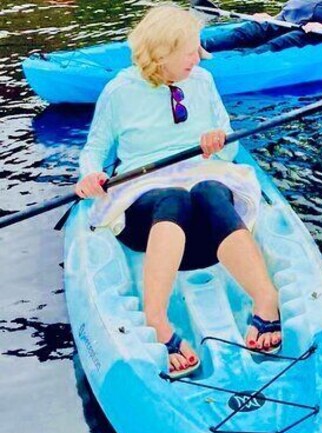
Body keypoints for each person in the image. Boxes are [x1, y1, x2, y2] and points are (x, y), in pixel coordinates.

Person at [76, 5, 282, 377]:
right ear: (160, 53)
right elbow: (94, 151)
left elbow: (230, 147)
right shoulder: (119, 91)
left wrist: (218, 144)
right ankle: (157, 320)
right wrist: (90, 175)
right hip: (148, 201)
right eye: (188, 50)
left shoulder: (201, 81)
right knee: (174, 199)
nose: (198, 56)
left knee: (207, 190)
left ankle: (266, 299)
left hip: (205, 235)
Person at [201, 0, 322, 53]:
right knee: (244, 32)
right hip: (287, 19)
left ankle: (225, 67)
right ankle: (192, 47)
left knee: (270, 48)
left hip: (319, 31)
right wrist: (273, 17)